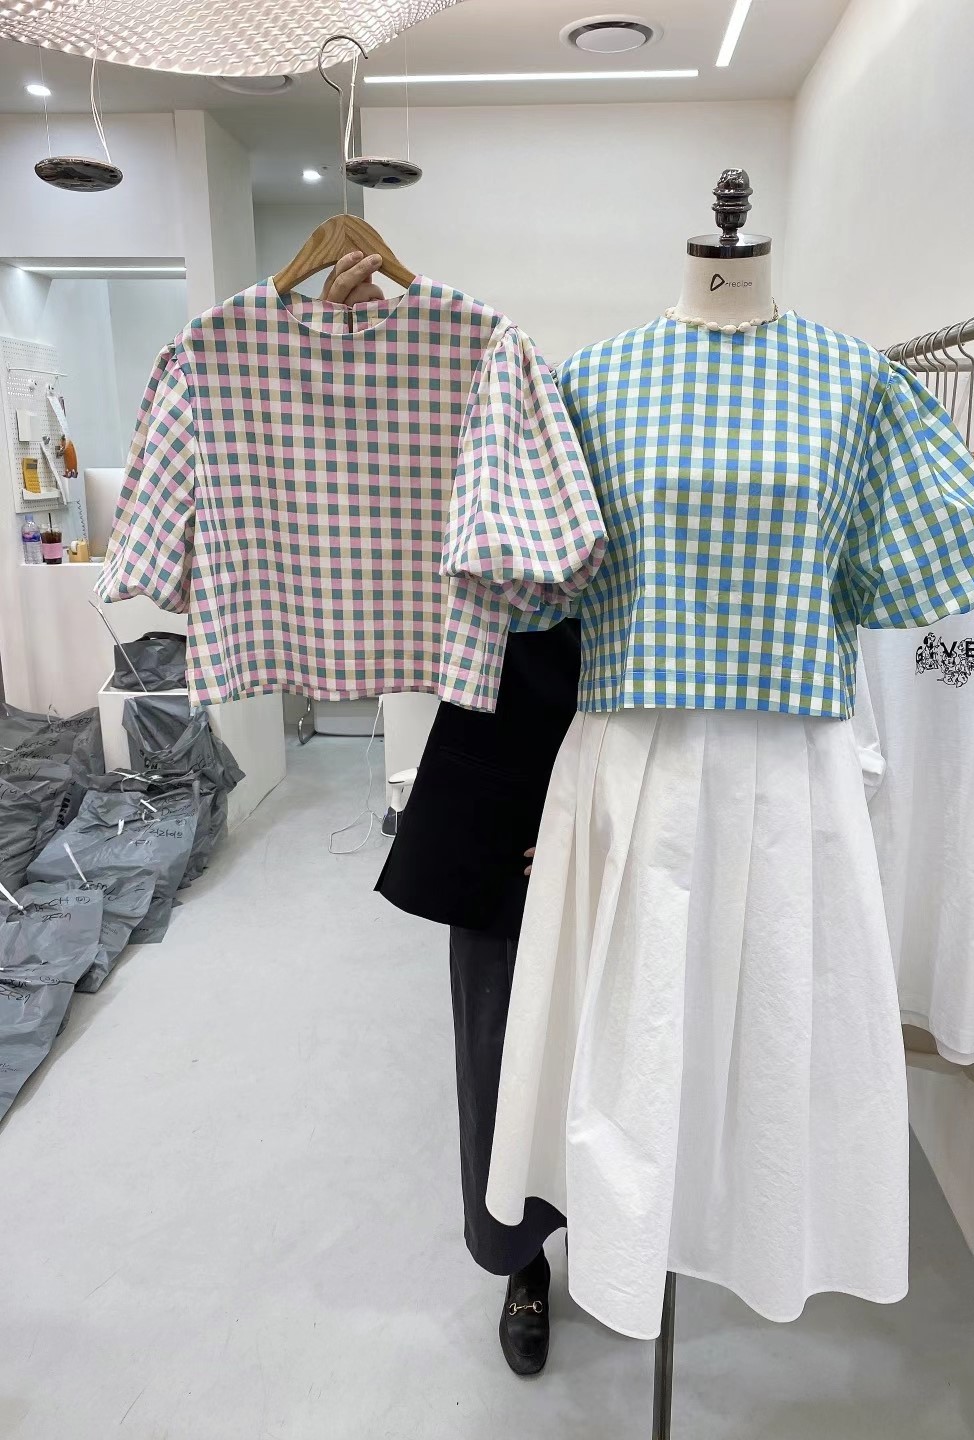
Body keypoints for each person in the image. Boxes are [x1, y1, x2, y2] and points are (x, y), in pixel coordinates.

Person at [312, 255, 584, 1375]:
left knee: (625, 1025)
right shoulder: (445, 382)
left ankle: (623, 1229)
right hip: (505, 744)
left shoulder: (560, 390)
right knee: (499, 1030)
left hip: (624, 740)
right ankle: (520, 1256)